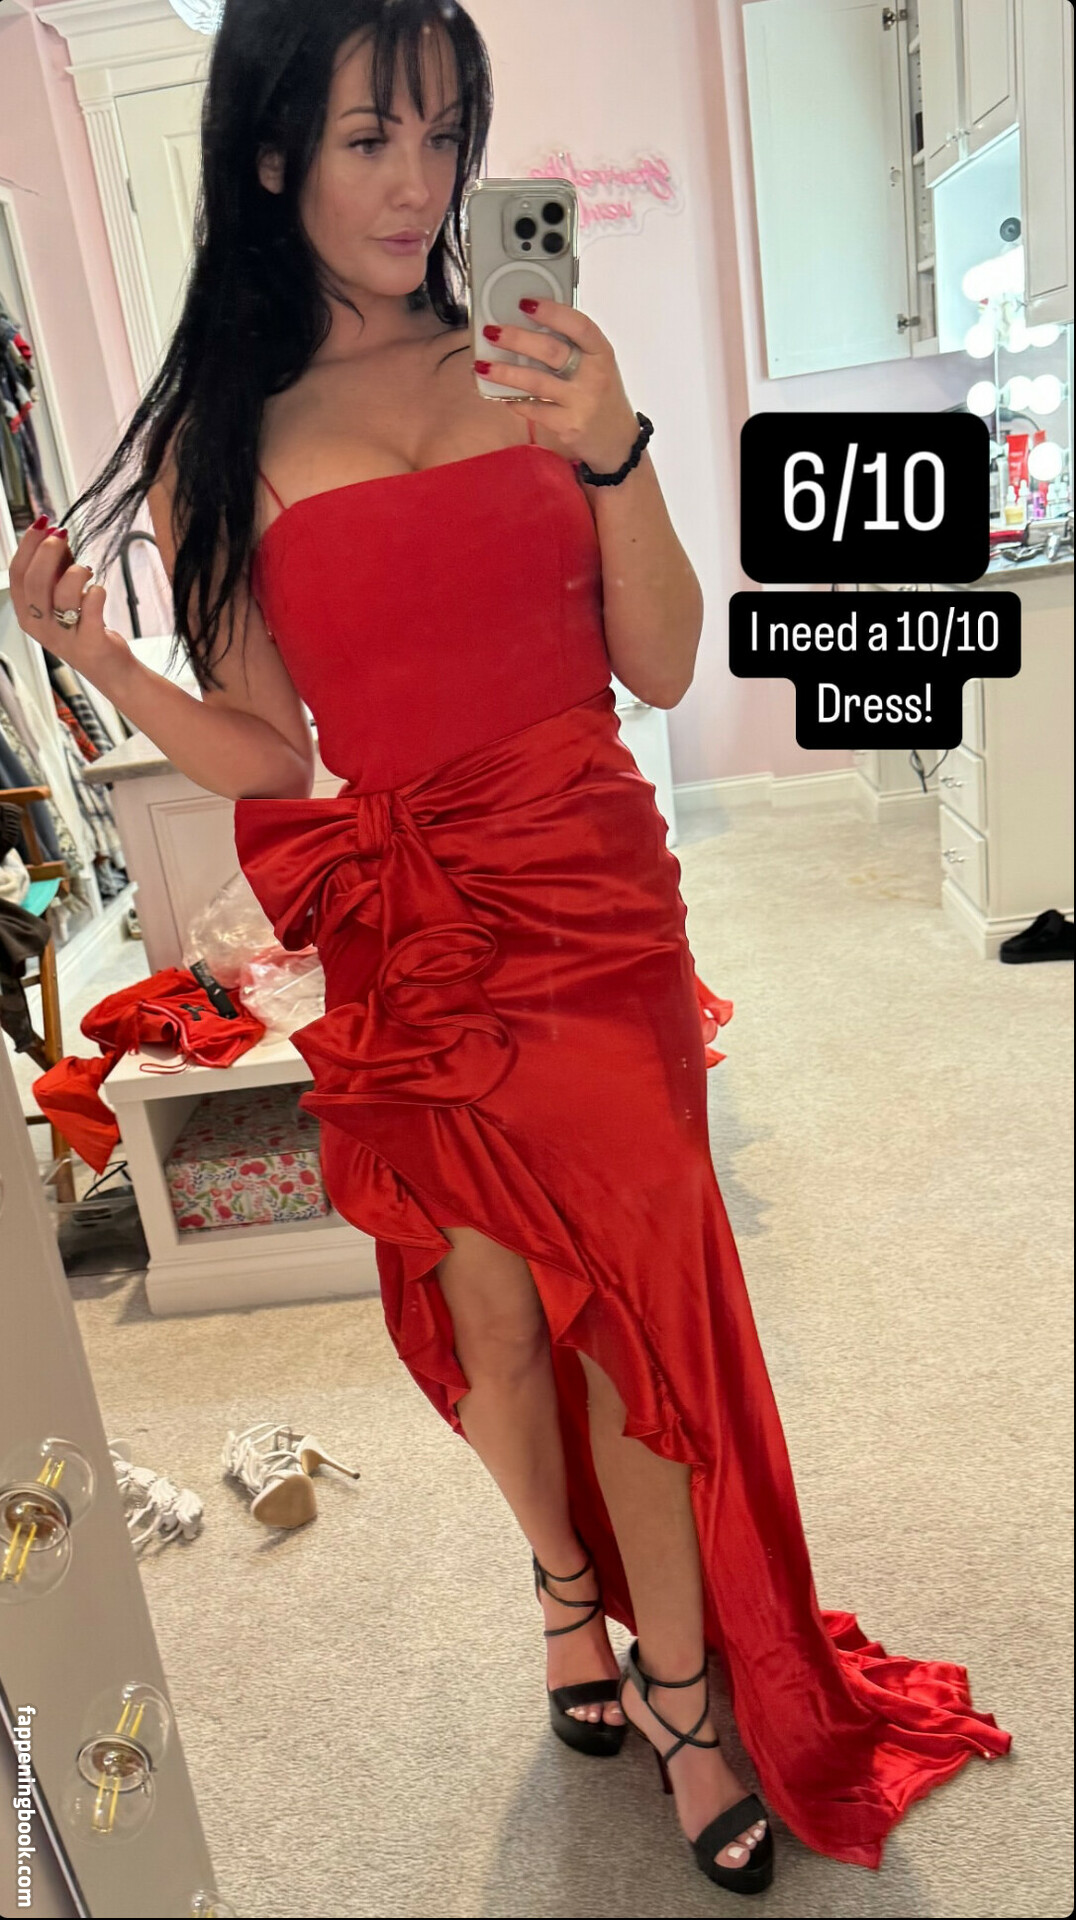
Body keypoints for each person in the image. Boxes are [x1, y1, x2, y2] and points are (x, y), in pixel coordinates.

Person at [9, 0, 1010, 1897]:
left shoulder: (537, 363)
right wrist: (95, 659)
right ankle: (565, 1596)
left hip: (591, 901)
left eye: (446, 134)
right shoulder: (230, 440)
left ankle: (688, 1692)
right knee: (491, 1316)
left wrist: (615, 443)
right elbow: (268, 749)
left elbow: (666, 663)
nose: (421, 183)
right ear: (275, 155)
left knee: (638, 1319)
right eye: (372, 137)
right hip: (414, 933)